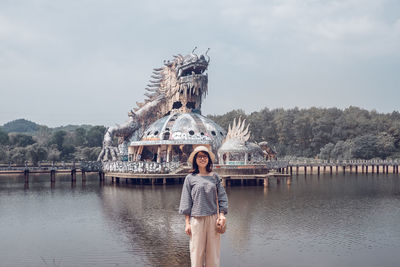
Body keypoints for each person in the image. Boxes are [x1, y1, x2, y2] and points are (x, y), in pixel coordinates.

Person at [179, 145, 228, 267]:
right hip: (196, 220)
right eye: (199, 156)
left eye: (205, 156)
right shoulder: (190, 178)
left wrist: (221, 215)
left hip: (213, 219)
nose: (202, 159)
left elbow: (222, 197)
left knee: (213, 254)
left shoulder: (214, 177)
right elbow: (186, 200)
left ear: (209, 160)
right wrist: (187, 223)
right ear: (195, 159)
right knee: (196, 254)